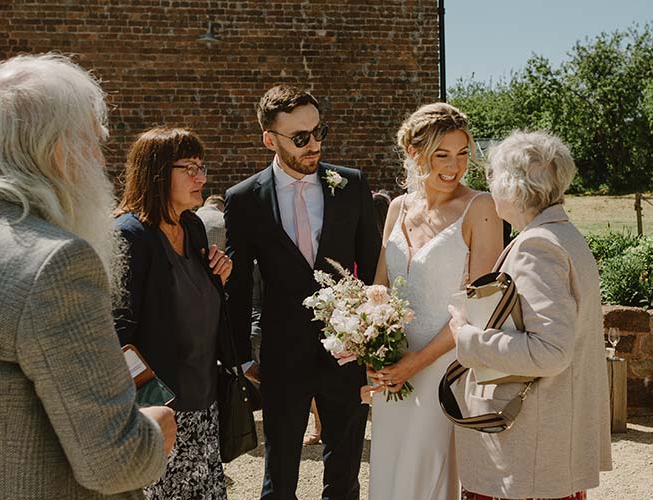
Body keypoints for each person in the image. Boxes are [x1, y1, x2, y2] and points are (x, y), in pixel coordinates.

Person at [0, 54, 175, 500]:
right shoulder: (54, 262)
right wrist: (152, 428)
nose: (100, 162)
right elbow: (115, 462)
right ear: (59, 150)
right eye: (96, 141)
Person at [225, 84, 381, 500]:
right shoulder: (243, 199)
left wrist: (370, 342)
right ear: (268, 139)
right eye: (300, 137)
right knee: (278, 479)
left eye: (318, 131)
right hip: (281, 356)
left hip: (346, 352)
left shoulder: (350, 185)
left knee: (345, 476)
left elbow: (370, 270)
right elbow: (237, 286)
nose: (314, 144)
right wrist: (241, 356)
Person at [448, 130, 612, 500]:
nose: (488, 185)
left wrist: (467, 337)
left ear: (511, 185)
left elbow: (550, 351)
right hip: (545, 446)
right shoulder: (562, 235)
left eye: (491, 175)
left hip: (527, 454)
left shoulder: (537, 246)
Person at [366, 102, 503, 500]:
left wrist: (414, 363)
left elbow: (477, 306)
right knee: (391, 470)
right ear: (414, 153)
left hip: (445, 369)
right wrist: (373, 357)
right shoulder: (397, 207)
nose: (454, 166)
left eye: (462, 154)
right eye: (441, 154)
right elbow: (380, 288)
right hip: (392, 370)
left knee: (426, 473)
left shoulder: (481, 209)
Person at [113, 127, 232, 500]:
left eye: (202, 166)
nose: (202, 177)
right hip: (160, 412)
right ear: (158, 172)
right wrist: (148, 406)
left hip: (204, 400)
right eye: (190, 167)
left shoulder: (193, 227)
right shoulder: (130, 236)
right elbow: (117, 332)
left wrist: (219, 278)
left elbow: (196, 299)